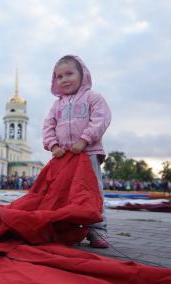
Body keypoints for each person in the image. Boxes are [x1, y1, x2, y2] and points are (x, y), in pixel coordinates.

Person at [43, 55, 111, 248]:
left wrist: (84, 140)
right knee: (64, 192)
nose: (64, 79)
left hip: (88, 154)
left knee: (91, 191)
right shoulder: (57, 105)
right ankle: (66, 228)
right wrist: (53, 145)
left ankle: (97, 231)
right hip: (64, 157)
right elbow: (48, 126)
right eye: (59, 76)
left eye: (69, 74)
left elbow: (101, 120)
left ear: (83, 75)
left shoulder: (93, 98)